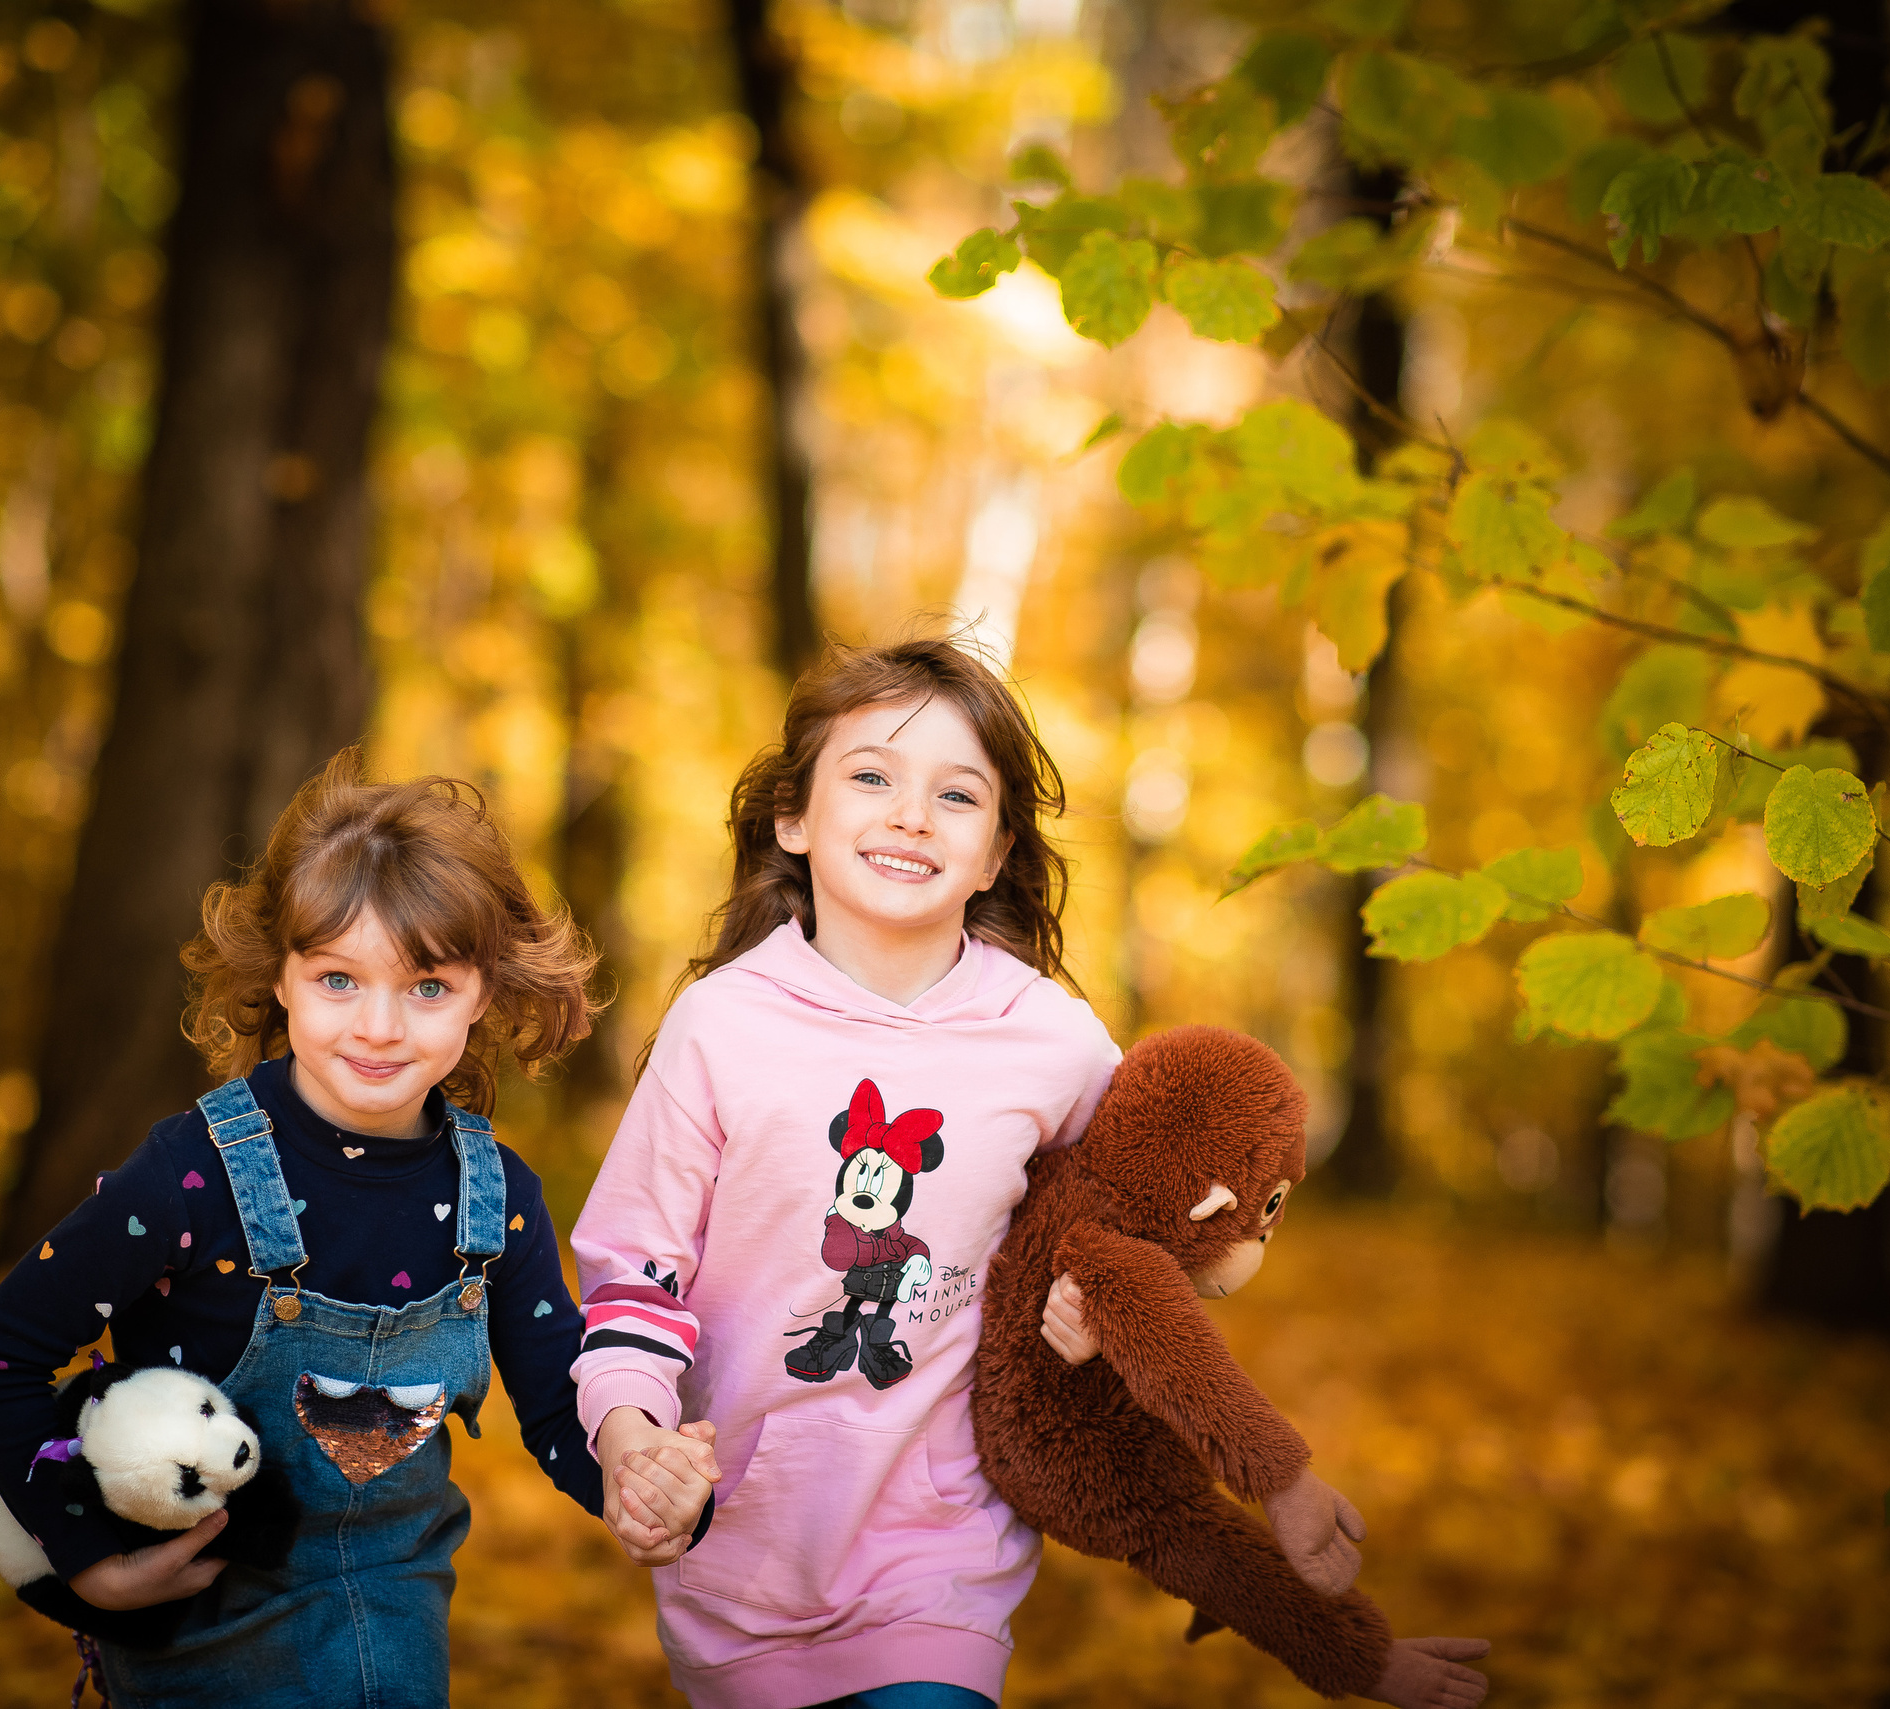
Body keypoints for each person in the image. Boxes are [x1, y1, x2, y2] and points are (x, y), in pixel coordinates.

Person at [569, 637, 1362, 1709]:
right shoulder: (718, 1028)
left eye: (956, 794)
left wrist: (1087, 1301)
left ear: (994, 854)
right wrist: (630, 1435)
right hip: (744, 1551)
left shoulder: (1049, 1039)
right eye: (871, 777)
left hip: (945, 1549)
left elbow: (1142, 1207)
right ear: (792, 818)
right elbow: (635, 1272)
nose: (911, 815)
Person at [0, 749, 716, 1709]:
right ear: (281, 975)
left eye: (427, 987)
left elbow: (562, 1416)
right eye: (338, 979)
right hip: (201, 1654)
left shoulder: (498, 1198)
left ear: (483, 991)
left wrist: (639, 1475)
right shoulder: (192, 1176)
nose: (379, 1027)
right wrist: (90, 1563)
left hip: (393, 1651)